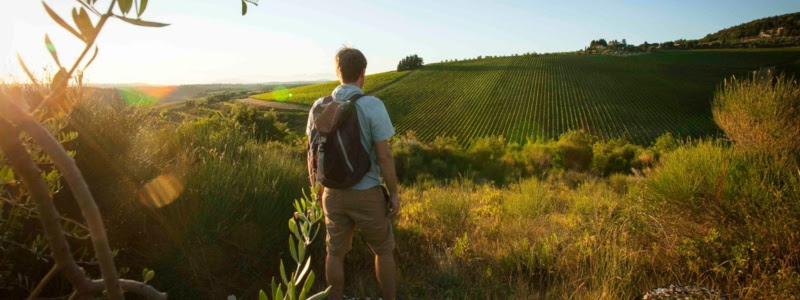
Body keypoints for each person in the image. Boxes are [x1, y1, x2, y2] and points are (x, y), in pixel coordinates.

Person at [306, 47, 400, 300]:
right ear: (363, 73)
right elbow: (384, 156)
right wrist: (393, 194)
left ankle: (334, 297)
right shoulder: (372, 105)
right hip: (367, 192)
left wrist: (318, 191)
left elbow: (314, 155)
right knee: (383, 250)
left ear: (338, 73)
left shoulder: (318, 106)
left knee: (334, 252)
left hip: (332, 193)